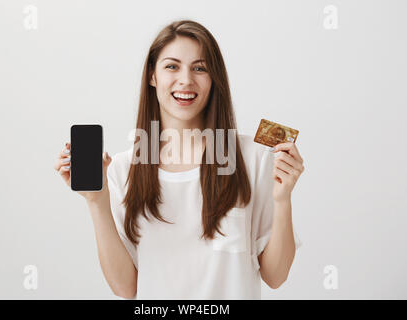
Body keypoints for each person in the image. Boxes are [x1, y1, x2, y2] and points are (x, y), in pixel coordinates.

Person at [54, 20, 305, 300]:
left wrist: (283, 200)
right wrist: (96, 200)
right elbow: (126, 288)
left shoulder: (253, 158)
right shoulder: (123, 169)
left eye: (200, 68)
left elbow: (276, 275)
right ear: (152, 76)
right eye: (172, 66)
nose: (186, 80)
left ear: (214, 79)